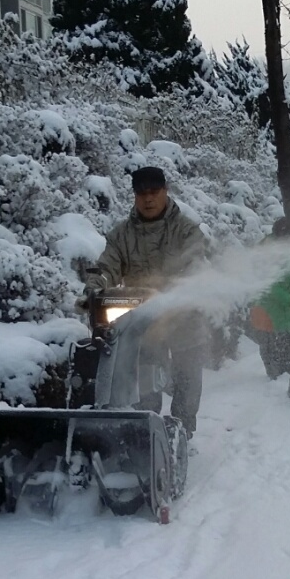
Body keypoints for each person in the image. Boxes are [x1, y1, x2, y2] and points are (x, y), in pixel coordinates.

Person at [85, 165, 207, 435]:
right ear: (134, 196)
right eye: (142, 194)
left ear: (165, 191)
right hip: (143, 320)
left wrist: (177, 292)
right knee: (144, 381)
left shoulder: (186, 231)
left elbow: (195, 265)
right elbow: (106, 267)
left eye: (154, 192)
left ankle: (182, 433)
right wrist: (95, 288)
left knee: (187, 378)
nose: (148, 199)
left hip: (183, 315)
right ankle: (146, 433)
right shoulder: (122, 236)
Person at [247, 218, 290, 379]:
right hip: (268, 308)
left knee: (282, 343)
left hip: (280, 309)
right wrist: (289, 299)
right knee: (272, 344)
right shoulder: (269, 251)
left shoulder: (285, 248)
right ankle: (275, 375)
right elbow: (269, 284)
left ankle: (280, 373)